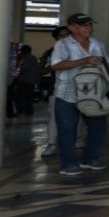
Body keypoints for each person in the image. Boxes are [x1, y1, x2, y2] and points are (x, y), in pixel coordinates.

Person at [49, 14, 109, 176]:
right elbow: (55, 65)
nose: (89, 28)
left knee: (99, 128)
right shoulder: (63, 44)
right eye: (84, 25)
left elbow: (108, 64)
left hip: (93, 94)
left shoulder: (98, 44)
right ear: (72, 28)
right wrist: (84, 61)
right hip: (67, 94)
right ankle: (68, 164)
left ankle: (90, 159)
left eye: (90, 25)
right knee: (67, 130)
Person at [40, 26, 71, 157]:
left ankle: (77, 139)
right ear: (56, 38)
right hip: (56, 89)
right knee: (53, 116)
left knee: (78, 116)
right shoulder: (50, 53)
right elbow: (42, 70)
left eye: (67, 35)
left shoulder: (79, 49)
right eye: (61, 35)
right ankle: (51, 143)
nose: (65, 38)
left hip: (79, 89)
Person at [12, 45, 39, 115]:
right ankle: (29, 111)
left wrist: (17, 73)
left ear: (25, 51)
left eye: (22, 51)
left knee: (19, 96)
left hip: (24, 80)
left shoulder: (26, 58)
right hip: (32, 81)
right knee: (29, 96)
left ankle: (20, 110)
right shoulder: (34, 58)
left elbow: (23, 68)